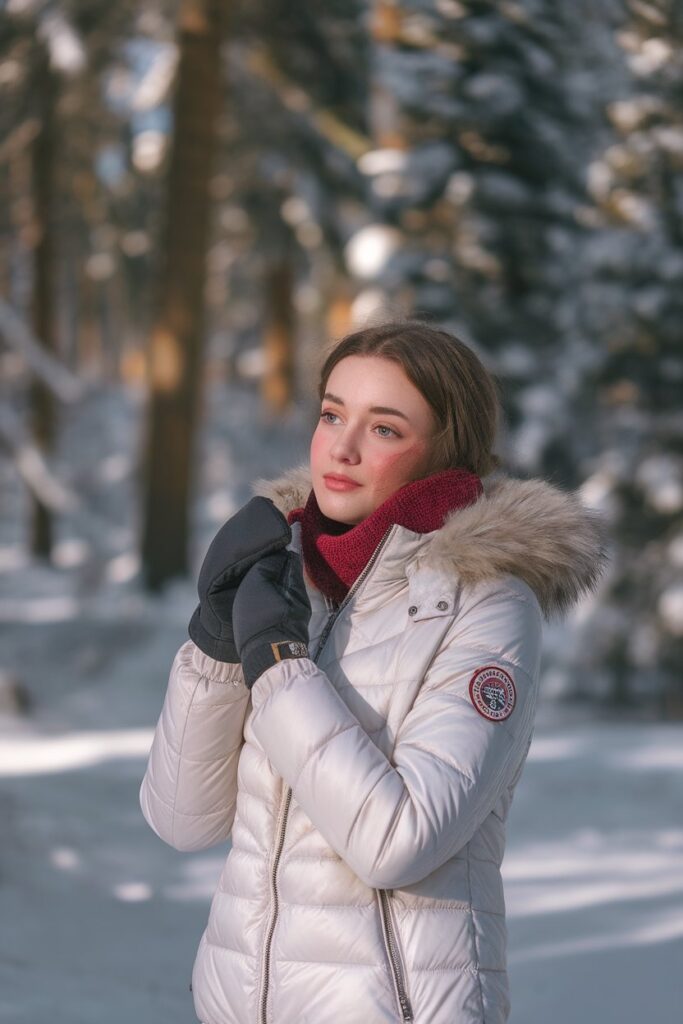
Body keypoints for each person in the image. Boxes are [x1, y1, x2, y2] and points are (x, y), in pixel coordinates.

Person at [139, 320, 608, 1024]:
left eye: (384, 429)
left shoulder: (485, 603)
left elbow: (398, 842)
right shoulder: (290, 579)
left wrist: (278, 663)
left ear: (441, 451)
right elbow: (182, 819)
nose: (342, 447)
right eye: (331, 414)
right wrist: (214, 640)